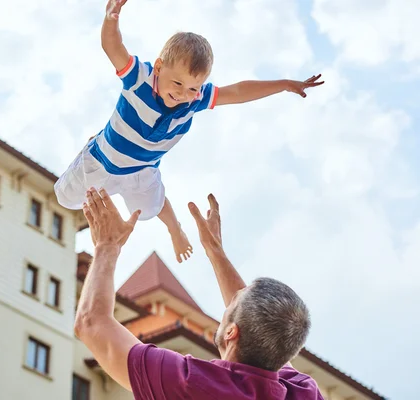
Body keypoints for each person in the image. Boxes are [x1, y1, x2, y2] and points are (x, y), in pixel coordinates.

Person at [54, 0, 324, 264]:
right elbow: (112, 46)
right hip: (105, 161)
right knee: (65, 197)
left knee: (149, 208)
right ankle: (94, 143)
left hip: (143, 168)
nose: (183, 94)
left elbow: (239, 91)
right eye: (178, 83)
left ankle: (175, 229)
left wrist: (285, 84)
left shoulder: (197, 99)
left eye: (193, 88)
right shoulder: (139, 78)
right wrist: (111, 17)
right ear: (159, 68)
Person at [74, 187, 324, 399]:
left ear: (231, 332)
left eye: (232, 303)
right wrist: (215, 251)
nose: (230, 299)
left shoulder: (196, 385)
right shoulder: (302, 392)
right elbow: (257, 326)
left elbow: (91, 323)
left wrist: (107, 246)